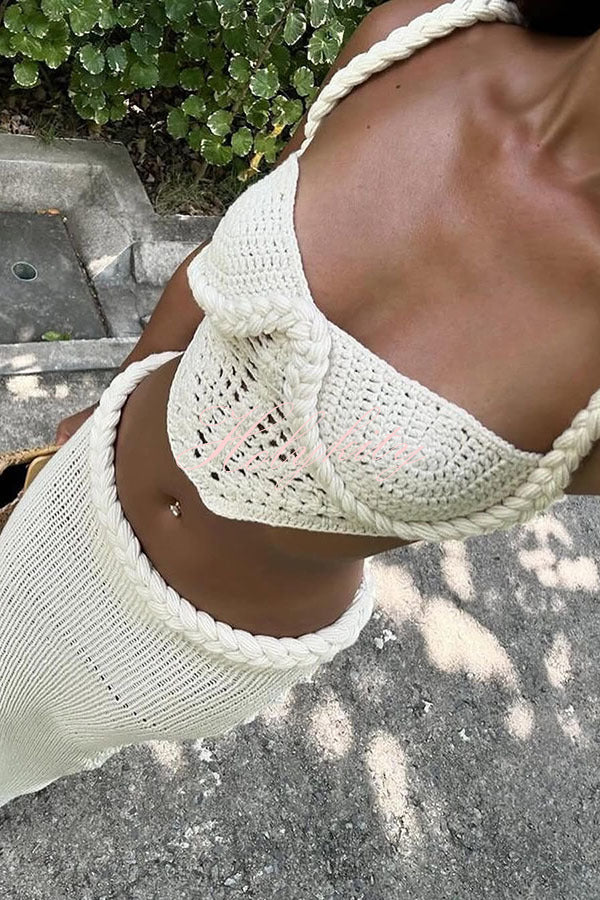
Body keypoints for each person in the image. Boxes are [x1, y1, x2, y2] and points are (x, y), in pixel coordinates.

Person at [1, 0, 599, 807]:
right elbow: (218, 259)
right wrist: (115, 393)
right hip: (80, 488)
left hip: (196, 650)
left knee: (25, 745)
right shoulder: (414, 37)